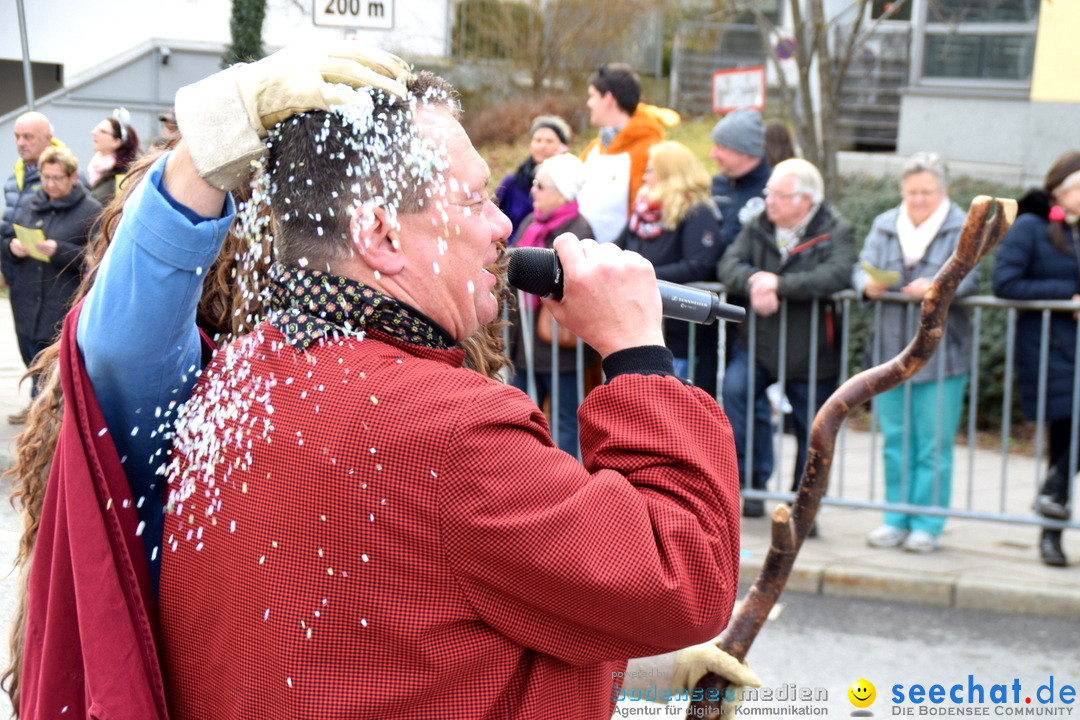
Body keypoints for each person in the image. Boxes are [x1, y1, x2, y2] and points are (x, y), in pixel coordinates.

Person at [22, 44, 741, 717]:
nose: (502, 225)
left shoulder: (236, 380)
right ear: (381, 236)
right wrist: (636, 352)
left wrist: (637, 672)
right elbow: (686, 573)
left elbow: (403, 639)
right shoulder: (449, 430)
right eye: (472, 198)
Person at [718, 158, 855, 516]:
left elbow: (837, 273)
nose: (770, 202)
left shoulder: (835, 229)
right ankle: (748, 486)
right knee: (735, 393)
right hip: (758, 344)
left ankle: (803, 505)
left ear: (806, 200)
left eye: (780, 195)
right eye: (769, 193)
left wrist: (779, 284)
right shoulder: (757, 226)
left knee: (814, 429)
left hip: (812, 351)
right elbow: (728, 263)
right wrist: (754, 281)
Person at [853, 152, 975, 554]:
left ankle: (928, 523)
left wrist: (937, 287)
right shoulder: (885, 224)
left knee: (933, 443)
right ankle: (895, 518)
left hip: (942, 354)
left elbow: (972, 277)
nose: (919, 199)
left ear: (944, 192)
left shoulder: (962, 226)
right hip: (891, 350)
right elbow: (861, 267)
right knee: (895, 439)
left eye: (927, 192)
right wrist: (866, 284)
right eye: (911, 192)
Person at [993, 149, 1080, 568]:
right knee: (1065, 440)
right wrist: (1066, 297)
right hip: (1051, 349)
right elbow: (1006, 282)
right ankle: (1052, 536)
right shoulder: (1030, 226)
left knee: (1071, 442)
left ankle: (1052, 494)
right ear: (1058, 189)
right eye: (1077, 187)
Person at [710, 109, 775, 510]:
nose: (714, 154)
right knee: (731, 395)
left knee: (750, 399)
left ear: (744, 150)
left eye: (721, 147)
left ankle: (755, 481)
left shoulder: (769, 191)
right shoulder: (718, 186)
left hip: (755, 318)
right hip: (717, 308)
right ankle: (733, 478)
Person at [509, 152, 594, 456]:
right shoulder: (532, 222)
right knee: (519, 420)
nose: (533, 190)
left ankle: (565, 487)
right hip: (523, 345)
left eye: (541, 185)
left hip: (559, 345)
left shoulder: (579, 231)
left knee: (563, 423)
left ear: (562, 191)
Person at [616, 140, 723, 381]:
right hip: (641, 321)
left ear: (669, 174)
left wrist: (644, 275)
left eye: (650, 170)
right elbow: (616, 247)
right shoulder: (643, 211)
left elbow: (699, 263)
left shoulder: (698, 211)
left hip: (681, 329)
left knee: (674, 401)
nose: (644, 177)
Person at [6, 146, 100, 408]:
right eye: (45, 177)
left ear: (72, 177)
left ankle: (45, 413)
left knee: (53, 365)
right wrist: (12, 247)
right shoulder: (31, 204)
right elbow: (7, 238)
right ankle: (37, 407)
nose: (49, 183)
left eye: (56, 178)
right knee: (30, 358)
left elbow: (97, 259)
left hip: (60, 300)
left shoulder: (90, 209)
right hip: (25, 298)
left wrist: (59, 250)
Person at [577, 62, 679, 244]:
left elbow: (648, 215)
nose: (588, 103)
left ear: (608, 98)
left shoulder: (648, 150)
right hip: (583, 256)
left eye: (592, 96)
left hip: (619, 261)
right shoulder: (596, 146)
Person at [494, 115, 571, 236]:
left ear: (563, 146)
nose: (542, 145)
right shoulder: (512, 183)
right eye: (538, 140)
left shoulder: (568, 185)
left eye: (549, 141)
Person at [87, 108, 140, 205]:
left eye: (102, 131)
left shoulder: (126, 175)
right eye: (96, 129)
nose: (93, 133)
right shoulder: (98, 168)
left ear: (117, 142)